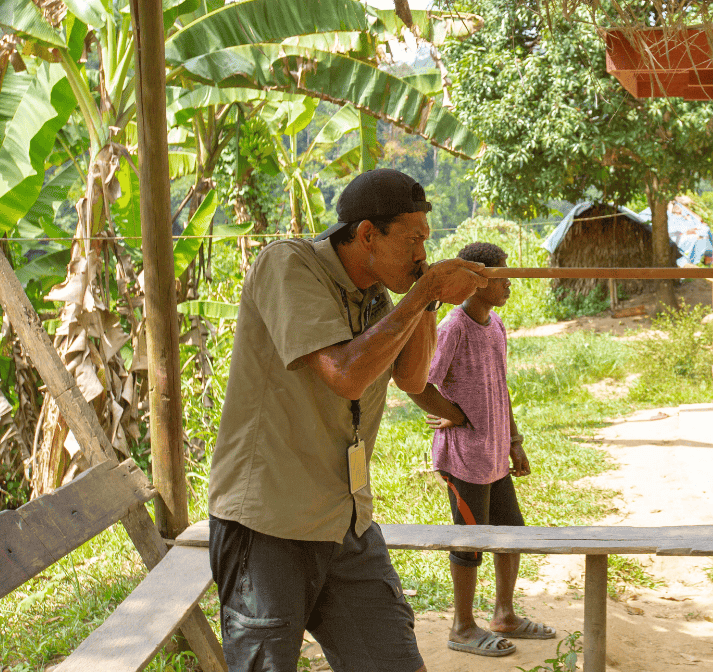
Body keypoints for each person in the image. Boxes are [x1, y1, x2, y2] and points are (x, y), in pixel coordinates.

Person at [207, 169, 487, 672]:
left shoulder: (378, 295)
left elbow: (411, 376)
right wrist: (422, 294)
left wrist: (426, 297)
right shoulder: (288, 264)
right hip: (270, 524)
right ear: (366, 235)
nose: (423, 252)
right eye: (413, 239)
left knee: (391, 661)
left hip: (345, 521)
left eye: (427, 239)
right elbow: (345, 374)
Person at [406, 242, 555, 658]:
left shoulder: (496, 326)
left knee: (510, 534)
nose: (510, 283)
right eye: (502, 276)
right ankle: (462, 627)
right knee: (469, 542)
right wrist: (451, 413)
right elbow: (420, 381)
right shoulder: (454, 327)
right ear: (477, 280)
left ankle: (504, 613)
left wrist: (515, 441)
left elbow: (501, 388)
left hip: (493, 456)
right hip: (463, 459)